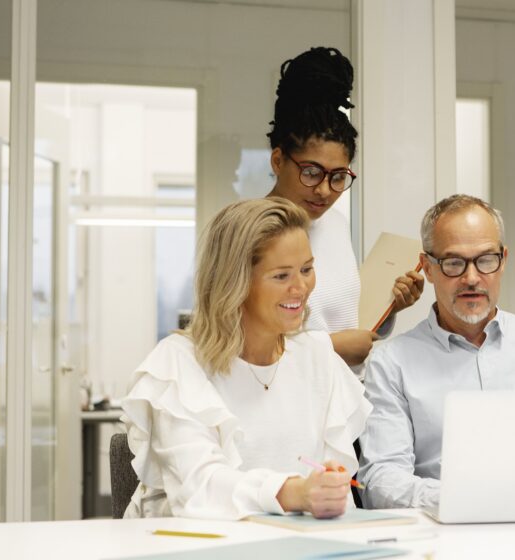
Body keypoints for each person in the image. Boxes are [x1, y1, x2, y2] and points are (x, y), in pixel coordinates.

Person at [121, 197, 371, 519]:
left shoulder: (317, 356)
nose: (301, 287)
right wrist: (294, 492)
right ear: (235, 282)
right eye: (281, 276)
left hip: (291, 541)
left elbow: (338, 492)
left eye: (307, 270)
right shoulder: (177, 364)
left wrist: (328, 491)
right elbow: (200, 488)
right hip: (191, 540)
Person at [358, 195, 515, 509]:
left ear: (503, 260)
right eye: (454, 263)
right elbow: (381, 480)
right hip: (443, 527)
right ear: (428, 267)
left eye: (486, 260)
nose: (471, 278)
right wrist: (468, 499)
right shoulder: (391, 364)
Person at [265, 46, 423, 367]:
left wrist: (388, 309)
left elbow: (343, 322)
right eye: (312, 172)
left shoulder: (334, 223)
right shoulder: (247, 230)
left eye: (338, 177)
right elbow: (231, 339)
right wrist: (331, 348)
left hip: (348, 388)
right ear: (278, 160)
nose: (324, 190)